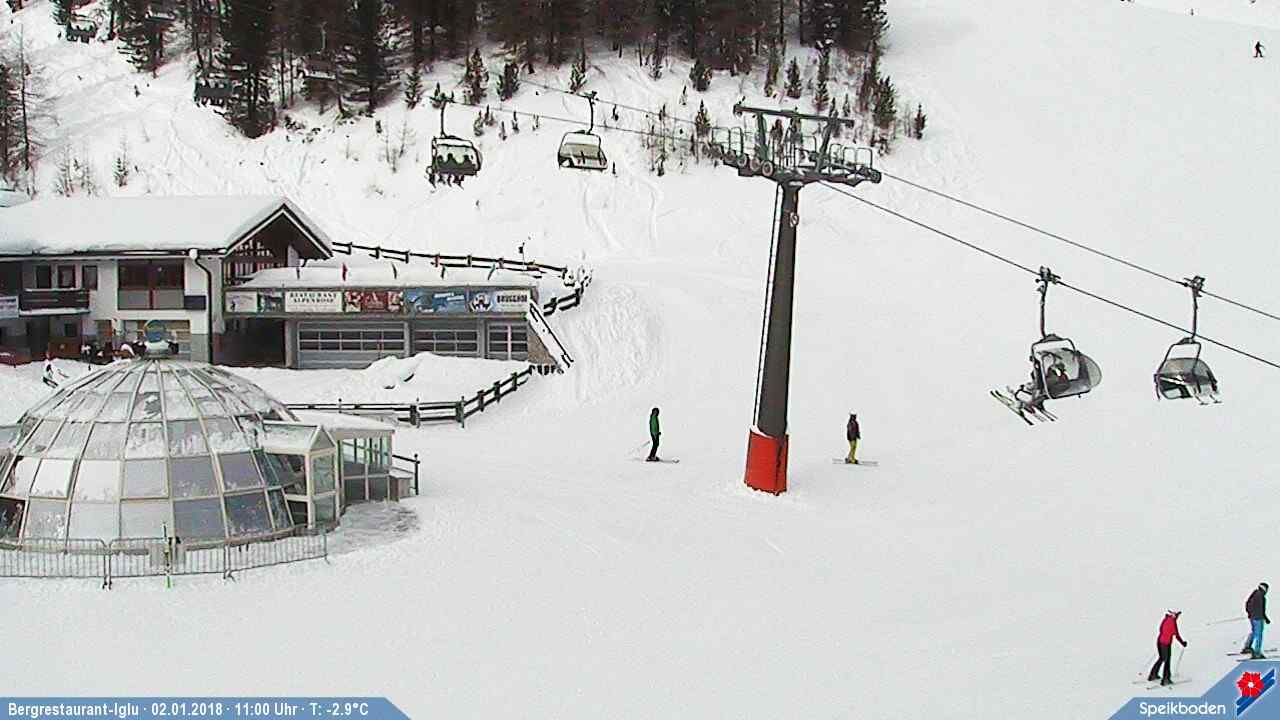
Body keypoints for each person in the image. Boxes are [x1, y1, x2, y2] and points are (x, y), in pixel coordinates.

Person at [1148, 610, 1188, 685]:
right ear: (1174, 615)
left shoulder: (1166, 619)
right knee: (1167, 660)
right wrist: (1183, 643)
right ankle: (1166, 679)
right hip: (1165, 644)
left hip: (1159, 641)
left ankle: (1153, 675)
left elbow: (1160, 629)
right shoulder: (1173, 623)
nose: (1178, 617)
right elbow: (1177, 635)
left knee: (1162, 658)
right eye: (1177, 615)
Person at [1243, 582, 1271, 658]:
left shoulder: (1254, 594)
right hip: (1258, 618)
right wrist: (1265, 618)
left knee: (1254, 632)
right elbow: (1261, 610)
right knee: (1259, 635)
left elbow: (1247, 604)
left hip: (1253, 617)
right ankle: (1257, 652)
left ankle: (1247, 646)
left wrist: (1249, 613)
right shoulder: (1260, 596)